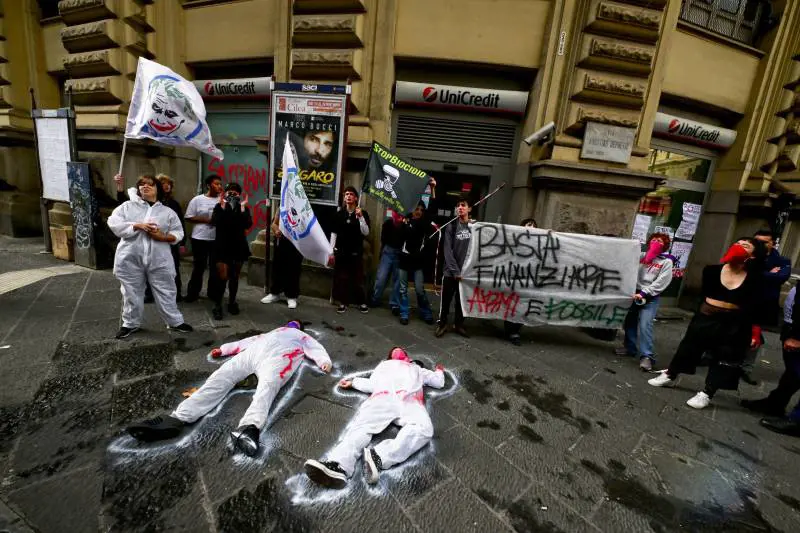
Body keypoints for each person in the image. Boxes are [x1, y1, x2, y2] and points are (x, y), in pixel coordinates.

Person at [126, 320, 332, 456]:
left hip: (280, 358)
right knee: (221, 376)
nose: (291, 325)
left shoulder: (301, 336)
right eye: (291, 323)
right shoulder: (271, 332)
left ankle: (249, 427)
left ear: (298, 328)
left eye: (295, 324)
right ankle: (179, 417)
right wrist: (224, 350)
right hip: (253, 354)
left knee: (267, 387)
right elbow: (246, 341)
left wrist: (323, 361)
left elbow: (315, 348)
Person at [648, 238, 766, 409]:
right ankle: (671, 374)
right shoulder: (712, 271)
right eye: (737, 243)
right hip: (706, 316)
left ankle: (707, 392)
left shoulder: (755, 279)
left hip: (733, 322)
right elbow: (704, 294)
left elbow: (755, 306)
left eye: (745, 246)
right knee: (689, 347)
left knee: (724, 356)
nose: (738, 247)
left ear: (753, 256)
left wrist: (754, 331)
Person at [303, 347, 445, 488]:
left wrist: (439, 371)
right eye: (395, 351)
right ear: (390, 357)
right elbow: (372, 383)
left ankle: (379, 456)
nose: (398, 351)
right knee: (362, 427)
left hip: (408, 400)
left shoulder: (417, 369)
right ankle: (337, 465)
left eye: (400, 350)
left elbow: (438, 382)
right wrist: (354, 382)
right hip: (384, 397)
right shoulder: (385, 366)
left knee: (424, 429)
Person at [107, 175, 193, 339]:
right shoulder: (127, 206)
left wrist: (162, 237)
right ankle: (130, 324)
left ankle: (175, 321)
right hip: (130, 258)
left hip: (159, 259)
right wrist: (136, 225)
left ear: (157, 188)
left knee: (166, 290)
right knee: (131, 292)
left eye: (149, 184)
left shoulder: (167, 212)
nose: (145, 187)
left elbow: (178, 232)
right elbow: (113, 223)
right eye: (141, 184)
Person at [741, 285, 800, 436]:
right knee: (793, 372)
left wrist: (797, 336)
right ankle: (776, 403)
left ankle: (797, 420)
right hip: (792, 325)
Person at [614, 232, 675, 371]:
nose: (656, 242)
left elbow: (662, 282)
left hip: (649, 297)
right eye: (654, 239)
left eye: (659, 241)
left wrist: (644, 293)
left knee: (645, 325)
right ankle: (630, 348)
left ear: (664, 245)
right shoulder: (641, 256)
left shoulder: (666, 262)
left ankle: (647, 356)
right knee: (630, 321)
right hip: (634, 293)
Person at [741, 229, 791, 385]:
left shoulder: (782, 261)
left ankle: (745, 368)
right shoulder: (750, 256)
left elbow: (781, 276)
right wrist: (768, 273)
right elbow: (744, 272)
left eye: (764, 242)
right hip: (742, 298)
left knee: (755, 335)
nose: (760, 245)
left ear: (772, 243)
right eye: (757, 241)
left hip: (764, 303)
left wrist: (760, 273)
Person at [397, 180, 438, 325]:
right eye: (417, 209)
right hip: (404, 260)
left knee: (420, 289)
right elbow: (398, 240)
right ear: (412, 209)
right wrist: (403, 225)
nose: (419, 211)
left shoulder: (424, 223)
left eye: (421, 209)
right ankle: (404, 313)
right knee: (403, 289)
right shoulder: (404, 221)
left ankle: (426, 312)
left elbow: (432, 207)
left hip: (417, 262)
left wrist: (432, 188)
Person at [209, 182, 252, 320]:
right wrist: (222, 207)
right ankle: (217, 305)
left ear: (239, 194)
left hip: (238, 246)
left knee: (234, 277)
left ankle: (232, 302)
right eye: (229, 191)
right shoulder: (219, 206)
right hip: (222, 246)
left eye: (236, 192)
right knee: (222, 277)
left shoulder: (243, 208)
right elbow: (215, 222)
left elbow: (247, 224)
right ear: (225, 193)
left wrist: (243, 207)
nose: (232, 193)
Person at [435, 196, 472, 338]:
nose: (460, 207)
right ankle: (442, 324)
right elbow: (447, 251)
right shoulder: (452, 226)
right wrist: (455, 271)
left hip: (466, 273)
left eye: (463, 205)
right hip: (451, 273)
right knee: (446, 301)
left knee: (461, 301)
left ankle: (459, 324)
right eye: (458, 205)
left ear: (469, 209)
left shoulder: (474, 227)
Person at [329, 186, 371, 314]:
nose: (348, 196)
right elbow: (334, 234)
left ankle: (361, 302)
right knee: (342, 278)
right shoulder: (339, 214)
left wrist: (361, 218)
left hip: (355, 251)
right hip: (341, 251)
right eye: (346, 194)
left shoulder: (362, 214)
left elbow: (366, 232)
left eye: (351, 194)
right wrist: (331, 252)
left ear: (356, 198)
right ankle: (343, 302)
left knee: (357, 278)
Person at [184, 176, 223, 302]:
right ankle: (193, 293)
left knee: (214, 267)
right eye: (216, 184)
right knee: (199, 266)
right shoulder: (197, 200)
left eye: (220, 184)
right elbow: (188, 217)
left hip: (216, 239)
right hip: (199, 238)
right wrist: (207, 220)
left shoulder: (222, 201)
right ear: (208, 185)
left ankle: (212, 293)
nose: (219, 186)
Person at [504, 218, 538, 345]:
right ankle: (510, 331)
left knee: (524, 306)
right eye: (529, 225)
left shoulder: (538, 242)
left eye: (534, 225)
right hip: (515, 278)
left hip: (529, 280)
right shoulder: (515, 240)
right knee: (512, 304)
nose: (532, 227)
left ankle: (515, 330)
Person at [261, 212, 304, 309]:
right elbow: (274, 223)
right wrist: (276, 230)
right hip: (281, 241)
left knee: (294, 269)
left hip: (296, 243)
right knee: (277, 267)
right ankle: (275, 293)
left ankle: (292, 296)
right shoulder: (282, 206)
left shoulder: (302, 206)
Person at [157, 174, 185, 302]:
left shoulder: (174, 203)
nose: (167, 185)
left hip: (171, 241)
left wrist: (183, 243)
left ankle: (177, 293)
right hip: (156, 241)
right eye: (163, 183)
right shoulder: (153, 203)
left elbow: (181, 224)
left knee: (174, 267)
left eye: (169, 183)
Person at [369, 209, 405, 313]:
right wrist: (382, 253)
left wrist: (403, 224)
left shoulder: (405, 226)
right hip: (388, 251)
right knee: (381, 277)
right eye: (396, 212)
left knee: (397, 280)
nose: (398, 214)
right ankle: (375, 298)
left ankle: (394, 303)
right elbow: (383, 240)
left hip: (399, 253)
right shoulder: (387, 223)